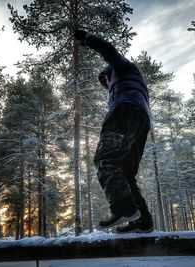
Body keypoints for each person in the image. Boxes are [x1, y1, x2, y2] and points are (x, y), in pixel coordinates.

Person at [74, 30, 153, 233]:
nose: (107, 86)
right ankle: (143, 221)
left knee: (105, 159)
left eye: (106, 81)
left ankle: (125, 209)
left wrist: (87, 38)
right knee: (126, 172)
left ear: (110, 74)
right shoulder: (134, 83)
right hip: (141, 120)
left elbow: (108, 50)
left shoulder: (123, 67)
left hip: (125, 112)